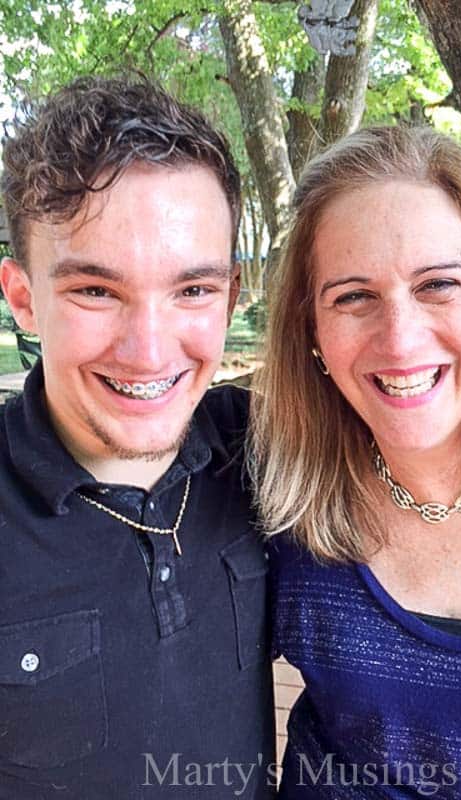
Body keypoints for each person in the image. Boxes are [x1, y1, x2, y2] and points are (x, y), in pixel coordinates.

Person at [250, 125, 461, 798]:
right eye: (352, 296)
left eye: (438, 283)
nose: (401, 337)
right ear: (311, 330)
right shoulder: (279, 493)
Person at [0, 75, 274, 798]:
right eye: (96, 289)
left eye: (192, 290)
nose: (150, 352)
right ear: (23, 296)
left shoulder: (264, 452)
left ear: (231, 295)